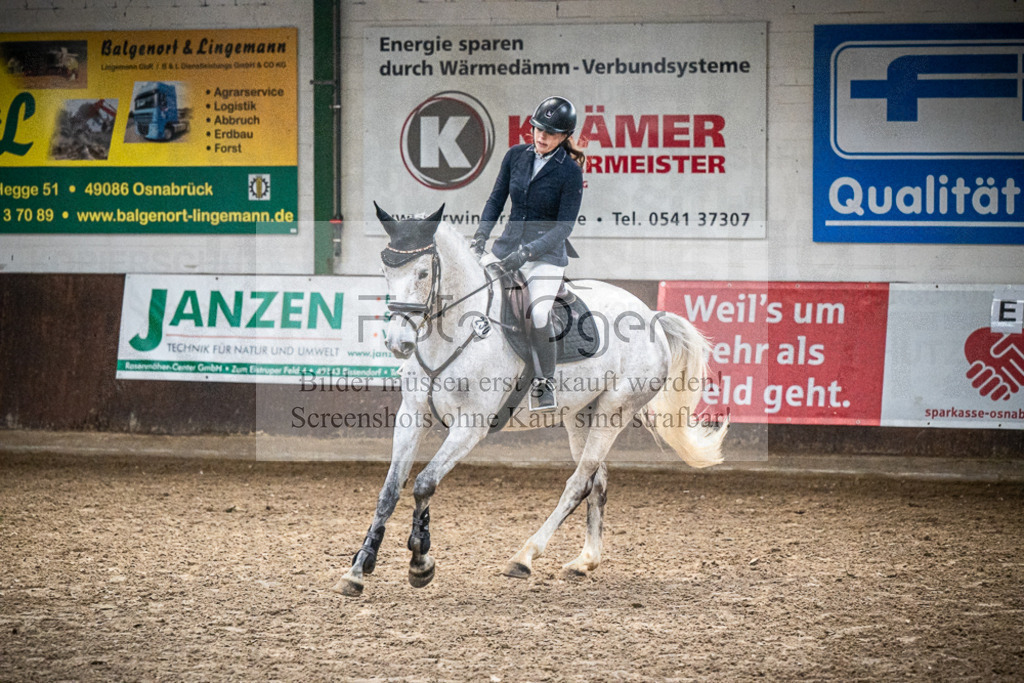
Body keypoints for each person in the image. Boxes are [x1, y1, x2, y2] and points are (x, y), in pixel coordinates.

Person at [472, 96, 586, 412]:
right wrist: (481, 235)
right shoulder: (515, 156)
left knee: (537, 313)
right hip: (506, 248)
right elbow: (495, 200)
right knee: (471, 296)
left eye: (550, 133)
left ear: (565, 136)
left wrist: (528, 253)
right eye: (538, 129)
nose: (542, 136)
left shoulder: (570, 173)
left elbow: (564, 228)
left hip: (545, 257)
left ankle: (544, 382)